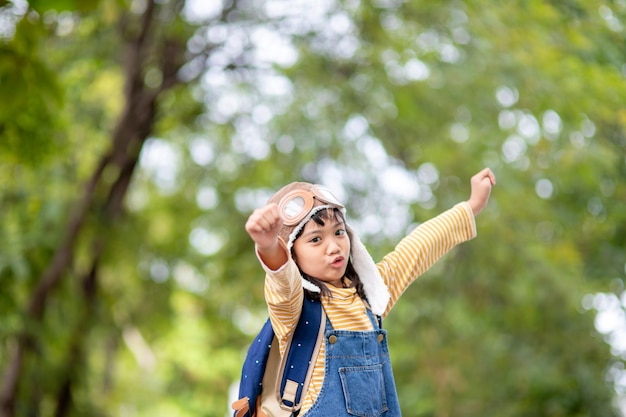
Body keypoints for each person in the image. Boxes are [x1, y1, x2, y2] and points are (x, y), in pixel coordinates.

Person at [244, 167, 496, 416]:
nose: (334, 246)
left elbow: (418, 247)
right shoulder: (295, 308)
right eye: (315, 239)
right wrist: (268, 246)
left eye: (339, 232)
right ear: (292, 252)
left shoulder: (370, 293)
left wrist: (472, 205)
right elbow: (282, 279)